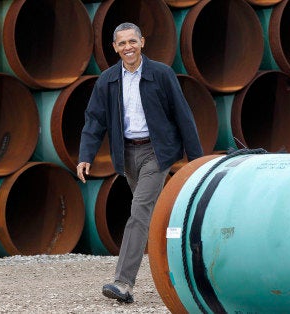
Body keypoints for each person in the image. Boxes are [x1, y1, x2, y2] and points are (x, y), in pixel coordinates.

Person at [77, 22, 203, 303]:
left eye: (132, 41)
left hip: (157, 152)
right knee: (157, 216)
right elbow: (94, 120)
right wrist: (85, 155)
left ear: (142, 42)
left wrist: (196, 163)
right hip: (126, 156)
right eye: (121, 44)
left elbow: (183, 116)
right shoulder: (108, 80)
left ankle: (123, 282)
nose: (128, 48)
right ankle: (193, 262)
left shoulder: (161, 74)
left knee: (139, 212)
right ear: (114, 48)